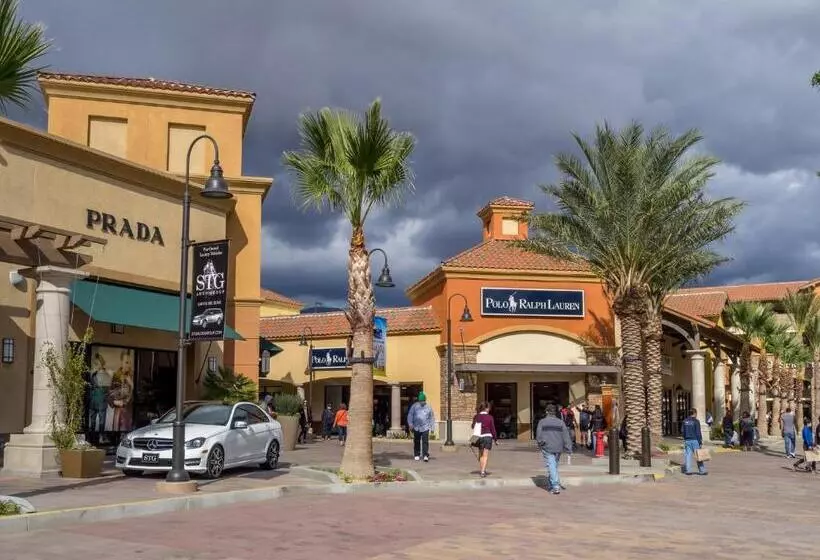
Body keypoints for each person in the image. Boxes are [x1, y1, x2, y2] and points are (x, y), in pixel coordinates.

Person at [536, 404, 573, 495]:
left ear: (547, 412)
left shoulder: (542, 422)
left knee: (551, 465)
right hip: (558, 447)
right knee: (554, 465)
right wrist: (568, 448)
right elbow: (566, 436)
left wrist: (540, 443)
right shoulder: (561, 422)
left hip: (547, 447)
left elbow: (538, 435)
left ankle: (555, 486)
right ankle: (551, 483)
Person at [407, 391, 436, 462]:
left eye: (423, 401)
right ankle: (417, 454)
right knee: (416, 441)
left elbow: (431, 418)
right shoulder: (414, 406)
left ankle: (425, 455)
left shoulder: (428, 407)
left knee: (425, 441)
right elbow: (410, 415)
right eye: (421, 401)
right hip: (416, 427)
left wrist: (432, 428)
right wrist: (410, 424)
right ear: (419, 400)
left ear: (425, 400)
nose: (422, 402)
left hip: (425, 427)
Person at [472, 401, 497, 478]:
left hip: (479, 437)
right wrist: (495, 439)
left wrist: (472, 440)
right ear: (486, 408)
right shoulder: (490, 417)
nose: (489, 409)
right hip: (487, 437)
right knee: (485, 455)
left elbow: (473, 427)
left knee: (481, 454)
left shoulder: (476, 416)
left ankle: (482, 470)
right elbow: (492, 429)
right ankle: (483, 471)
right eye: (488, 408)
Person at [681, 408, 707, 476]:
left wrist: (685, 439)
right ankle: (702, 470)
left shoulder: (685, 421)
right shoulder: (696, 421)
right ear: (695, 413)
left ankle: (688, 470)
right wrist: (700, 442)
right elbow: (698, 432)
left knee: (688, 455)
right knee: (698, 455)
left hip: (687, 440)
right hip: (695, 440)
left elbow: (682, 431)